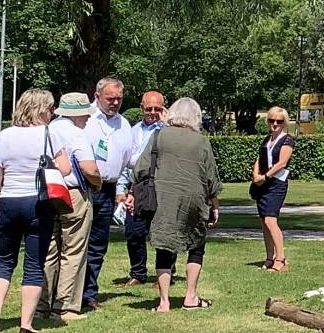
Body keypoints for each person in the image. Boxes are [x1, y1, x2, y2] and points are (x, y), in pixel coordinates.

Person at [0, 88, 72, 333]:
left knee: (3, 260)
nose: (53, 113)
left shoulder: (5, 135)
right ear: (42, 110)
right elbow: (65, 169)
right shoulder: (49, 134)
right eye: (51, 108)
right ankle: (26, 323)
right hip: (37, 202)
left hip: (9, 201)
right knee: (34, 264)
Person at [131, 97, 220, 311]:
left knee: (164, 245)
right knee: (196, 245)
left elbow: (141, 168)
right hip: (195, 200)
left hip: (164, 198)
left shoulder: (159, 136)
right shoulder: (202, 141)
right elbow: (211, 178)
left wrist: (131, 190)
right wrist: (215, 205)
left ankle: (164, 302)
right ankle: (191, 297)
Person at [44, 93, 101, 321]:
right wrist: (97, 183)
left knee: (49, 250)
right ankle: (64, 306)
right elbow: (89, 168)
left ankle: (42, 304)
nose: (88, 118)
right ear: (77, 115)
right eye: (86, 114)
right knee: (73, 250)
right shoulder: (76, 133)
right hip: (73, 193)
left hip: (48, 191)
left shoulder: (48, 129)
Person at [79, 76, 128, 309]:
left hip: (108, 189)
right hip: (84, 187)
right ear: (97, 96)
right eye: (110, 98)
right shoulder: (85, 119)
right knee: (77, 242)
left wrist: (122, 189)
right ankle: (68, 293)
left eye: (119, 98)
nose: (115, 103)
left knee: (98, 244)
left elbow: (128, 161)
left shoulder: (123, 124)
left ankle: (89, 293)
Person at [111, 90, 166, 287]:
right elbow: (125, 163)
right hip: (138, 186)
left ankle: (164, 274)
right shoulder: (132, 131)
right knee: (134, 231)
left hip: (161, 185)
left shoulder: (168, 131)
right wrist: (120, 190)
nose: (153, 112)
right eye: (149, 108)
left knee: (162, 232)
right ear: (142, 108)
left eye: (157, 109)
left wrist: (167, 123)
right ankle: (138, 273)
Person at [251, 106, 295, 271]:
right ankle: (270, 257)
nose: (275, 124)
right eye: (272, 120)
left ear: (284, 122)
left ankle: (280, 258)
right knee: (264, 222)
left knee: (271, 220)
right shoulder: (267, 139)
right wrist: (256, 175)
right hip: (262, 184)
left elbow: (282, 163)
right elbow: (259, 158)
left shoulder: (287, 140)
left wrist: (265, 176)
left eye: (279, 121)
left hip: (276, 184)